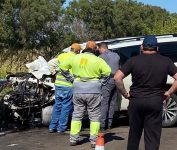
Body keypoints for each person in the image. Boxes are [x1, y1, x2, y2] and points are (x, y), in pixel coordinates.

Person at [114, 35, 177, 150]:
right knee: (152, 137)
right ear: (157, 48)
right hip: (155, 101)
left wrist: (125, 94)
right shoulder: (166, 61)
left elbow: (117, 78)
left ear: (141, 47)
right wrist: (168, 93)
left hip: (136, 101)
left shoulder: (133, 60)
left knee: (134, 134)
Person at [59, 41, 111, 148]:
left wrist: (71, 79)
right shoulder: (98, 60)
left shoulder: (75, 58)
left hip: (78, 89)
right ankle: (94, 141)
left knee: (77, 114)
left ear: (85, 48)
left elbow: (62, 67)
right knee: (94, 116)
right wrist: (101, 83)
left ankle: (73, 139)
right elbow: (107, 72)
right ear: (95, 49)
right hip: (94, 90)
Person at [49, 43, 81, 133]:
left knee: (57, 106)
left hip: (58, 84)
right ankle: (61, 128)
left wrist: (54, 73)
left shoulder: (62, 55)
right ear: (78, 51)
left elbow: (50, 63)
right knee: (66, 107)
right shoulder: (76, 58)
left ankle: (52, 127)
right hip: (68, 85)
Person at [97, 42, 120, 130]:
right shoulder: (116, 55)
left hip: (107, 81)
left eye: (98, 49)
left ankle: (102, 125)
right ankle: (110, 123)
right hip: (116, 80)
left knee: (104, 103)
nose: (98, 51)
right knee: (112, 102)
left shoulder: (101, 57)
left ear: (101, 48)